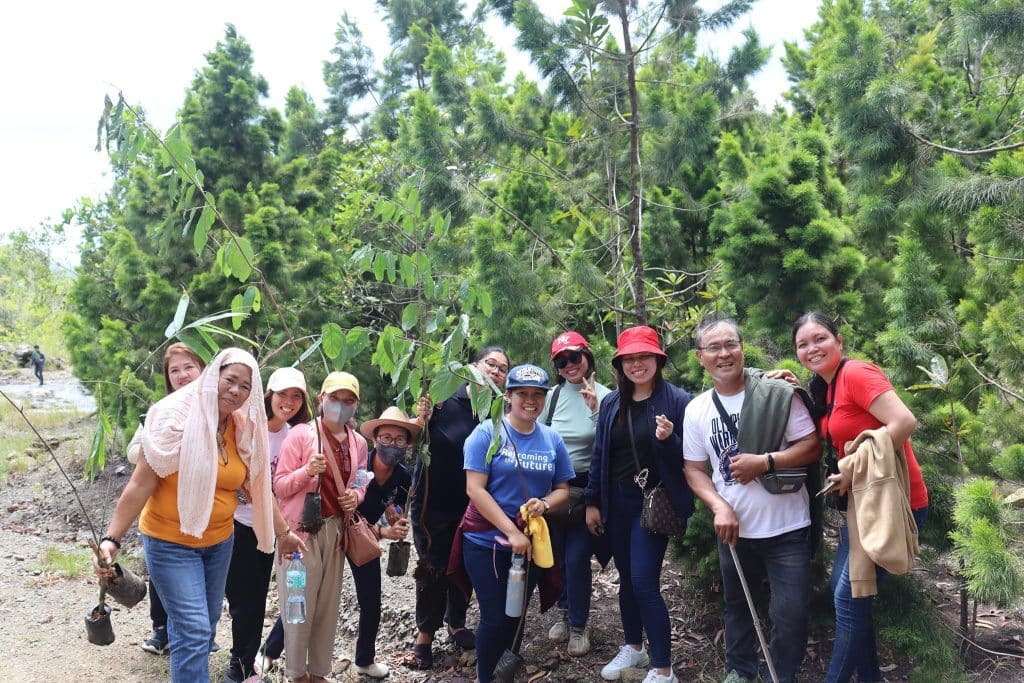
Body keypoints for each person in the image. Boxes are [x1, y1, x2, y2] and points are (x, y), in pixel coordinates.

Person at [92, 348, 305, 683]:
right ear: (212, 378)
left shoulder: (241, 427)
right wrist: (111, 539)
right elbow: (141, 482)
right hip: (170, 542)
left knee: (202, 630)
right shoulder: (174, 419)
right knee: (192, 630)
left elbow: (257, 487)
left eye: (245, 386)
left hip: (219, 542)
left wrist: (283, 532)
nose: (235, 390)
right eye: (229, 380)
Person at [785, 312, 929, 683]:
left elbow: (904, 421)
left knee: (848, 597)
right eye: (803, 344)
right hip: (862, 505)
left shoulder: (857, 374)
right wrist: (797, 388)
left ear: (839, 340)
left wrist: (851, 467)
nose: (812, 348)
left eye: (820, 339)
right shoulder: (827, 385)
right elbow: (836, 426)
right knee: (846, 592)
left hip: (894, 502)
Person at [682, 318, 821, 683]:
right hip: (734, 529)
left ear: (742, 348)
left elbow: (811, 447)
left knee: (790, 613)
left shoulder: (774, 393)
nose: (724, 353)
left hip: (788, 526)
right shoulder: (697, 409)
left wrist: (766, 462)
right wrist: (719, 506)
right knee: (737, 606)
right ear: (700, 357)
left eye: (731, 344)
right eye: (714, 348)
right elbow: (694, 469)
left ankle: (782, 674)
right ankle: (740, 671)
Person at [584, 325, 693, 683]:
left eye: (644, 356)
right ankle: (634, 647)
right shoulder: (613, 402)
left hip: (654, 503)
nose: (637, 364)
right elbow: (601, 454)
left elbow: (693, 459)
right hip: (618, 502)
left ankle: (663, 668)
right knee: (627, 581)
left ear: (658, 360)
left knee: (645, 581)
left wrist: (669, 439)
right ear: (620, 364)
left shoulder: (677, 401)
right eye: (629, 359)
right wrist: (593, 502)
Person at [453, 363, 573, 683]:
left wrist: (544, 503)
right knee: (495, 616)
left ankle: (502, 676)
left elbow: (563, 489)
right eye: (522, 393)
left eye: (537, 394)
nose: (530, 400)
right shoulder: (486, 433)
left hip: (530, 541)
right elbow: (474, 489)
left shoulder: (551, 439)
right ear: (508, 396)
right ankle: (485, 678)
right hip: (486, 542)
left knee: (516, 615)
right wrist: (510, 532)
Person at [409, 346, 511, 668]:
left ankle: (456, 623)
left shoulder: (496, 411)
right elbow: (413, 437)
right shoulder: (443, 399)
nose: (495, 372)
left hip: (473, 505)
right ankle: (425, 634)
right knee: (433, 567)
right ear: (473, 367)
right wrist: (420, 418)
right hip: (433, 503)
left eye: (502, 368)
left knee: (463, 566)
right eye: (490, 364)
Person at [273, 371, 369, 683]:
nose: (340, 406)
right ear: (321, 400)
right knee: (298, 604)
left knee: (328, 607)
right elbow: (280, 485)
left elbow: (360, 480)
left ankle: (319, 672)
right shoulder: (301, 435)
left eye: (348, 401)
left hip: (335, 531)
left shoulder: (358, 443)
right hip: (300, 532)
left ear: (356, 405)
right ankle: (296, 672)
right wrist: (306, 471)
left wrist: (355, 496)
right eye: (334, 399)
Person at [223, 367, 312, 683]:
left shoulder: (296, 436)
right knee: (239, 599)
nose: (288, 402)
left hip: (273, 529)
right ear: (269, 395)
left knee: (257, 598)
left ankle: (244, 665)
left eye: (296, 396)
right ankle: (238, 662)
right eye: (283, 394)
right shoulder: (248, 427)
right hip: (237, 522)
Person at [126, 342, 206, 657]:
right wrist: (164, 448)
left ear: (202, 369)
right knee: (163, 571)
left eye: (189, 367)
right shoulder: (161, 411)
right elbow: (134, 452)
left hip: (206, 512)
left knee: (200, 578)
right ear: (168, 377)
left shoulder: (220, 410)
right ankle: (162, 631)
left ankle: (197, 634)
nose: (183, 375)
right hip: (164, 509)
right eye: (175, 370)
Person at [543, 331, 611, 656]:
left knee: (577, 558)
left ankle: (580, 625)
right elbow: (535, 434)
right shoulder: (551, 398)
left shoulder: (607, 395)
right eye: (562, 360)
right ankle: (565, 613)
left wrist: (597, 409)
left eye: (575, 357)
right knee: (556, 558)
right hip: (555, 489)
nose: (570, 365)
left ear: (587, 356)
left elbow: (612, 446)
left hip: (586, 490)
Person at [346, 406, 417, 679]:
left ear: (407, 445)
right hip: (340, 530)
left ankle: (364, 660)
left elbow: (395, 509)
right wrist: (383, 532)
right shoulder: (359, 464)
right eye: (386, 438)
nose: (392, 444)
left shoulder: (403, 477)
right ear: (375, 440)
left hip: (366, 540)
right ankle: (271, 650)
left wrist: (396, 520)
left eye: (399, 440)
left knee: (371, 601)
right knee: (313, 591)